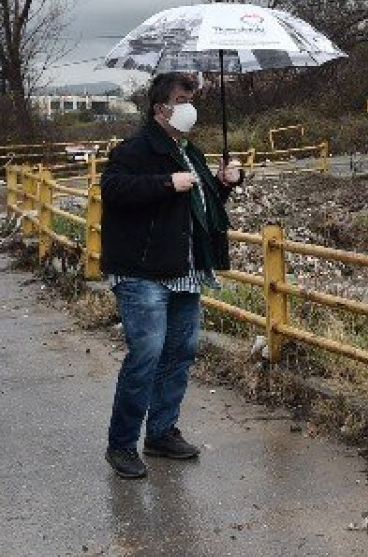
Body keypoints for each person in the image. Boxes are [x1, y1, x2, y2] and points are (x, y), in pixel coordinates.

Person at [99, 72, 243, 479]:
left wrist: (223, 182)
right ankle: (121, 444)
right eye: (182, 99)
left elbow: (200, 204)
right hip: (142, 272)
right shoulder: (135, 149)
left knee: (179, 354)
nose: (189, 107)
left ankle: (161, 432)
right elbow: (114, 191)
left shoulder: (188, 151)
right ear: (161, 107)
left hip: (185, 270)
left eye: (192, 99)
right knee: (145, 356)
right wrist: (166, 182)